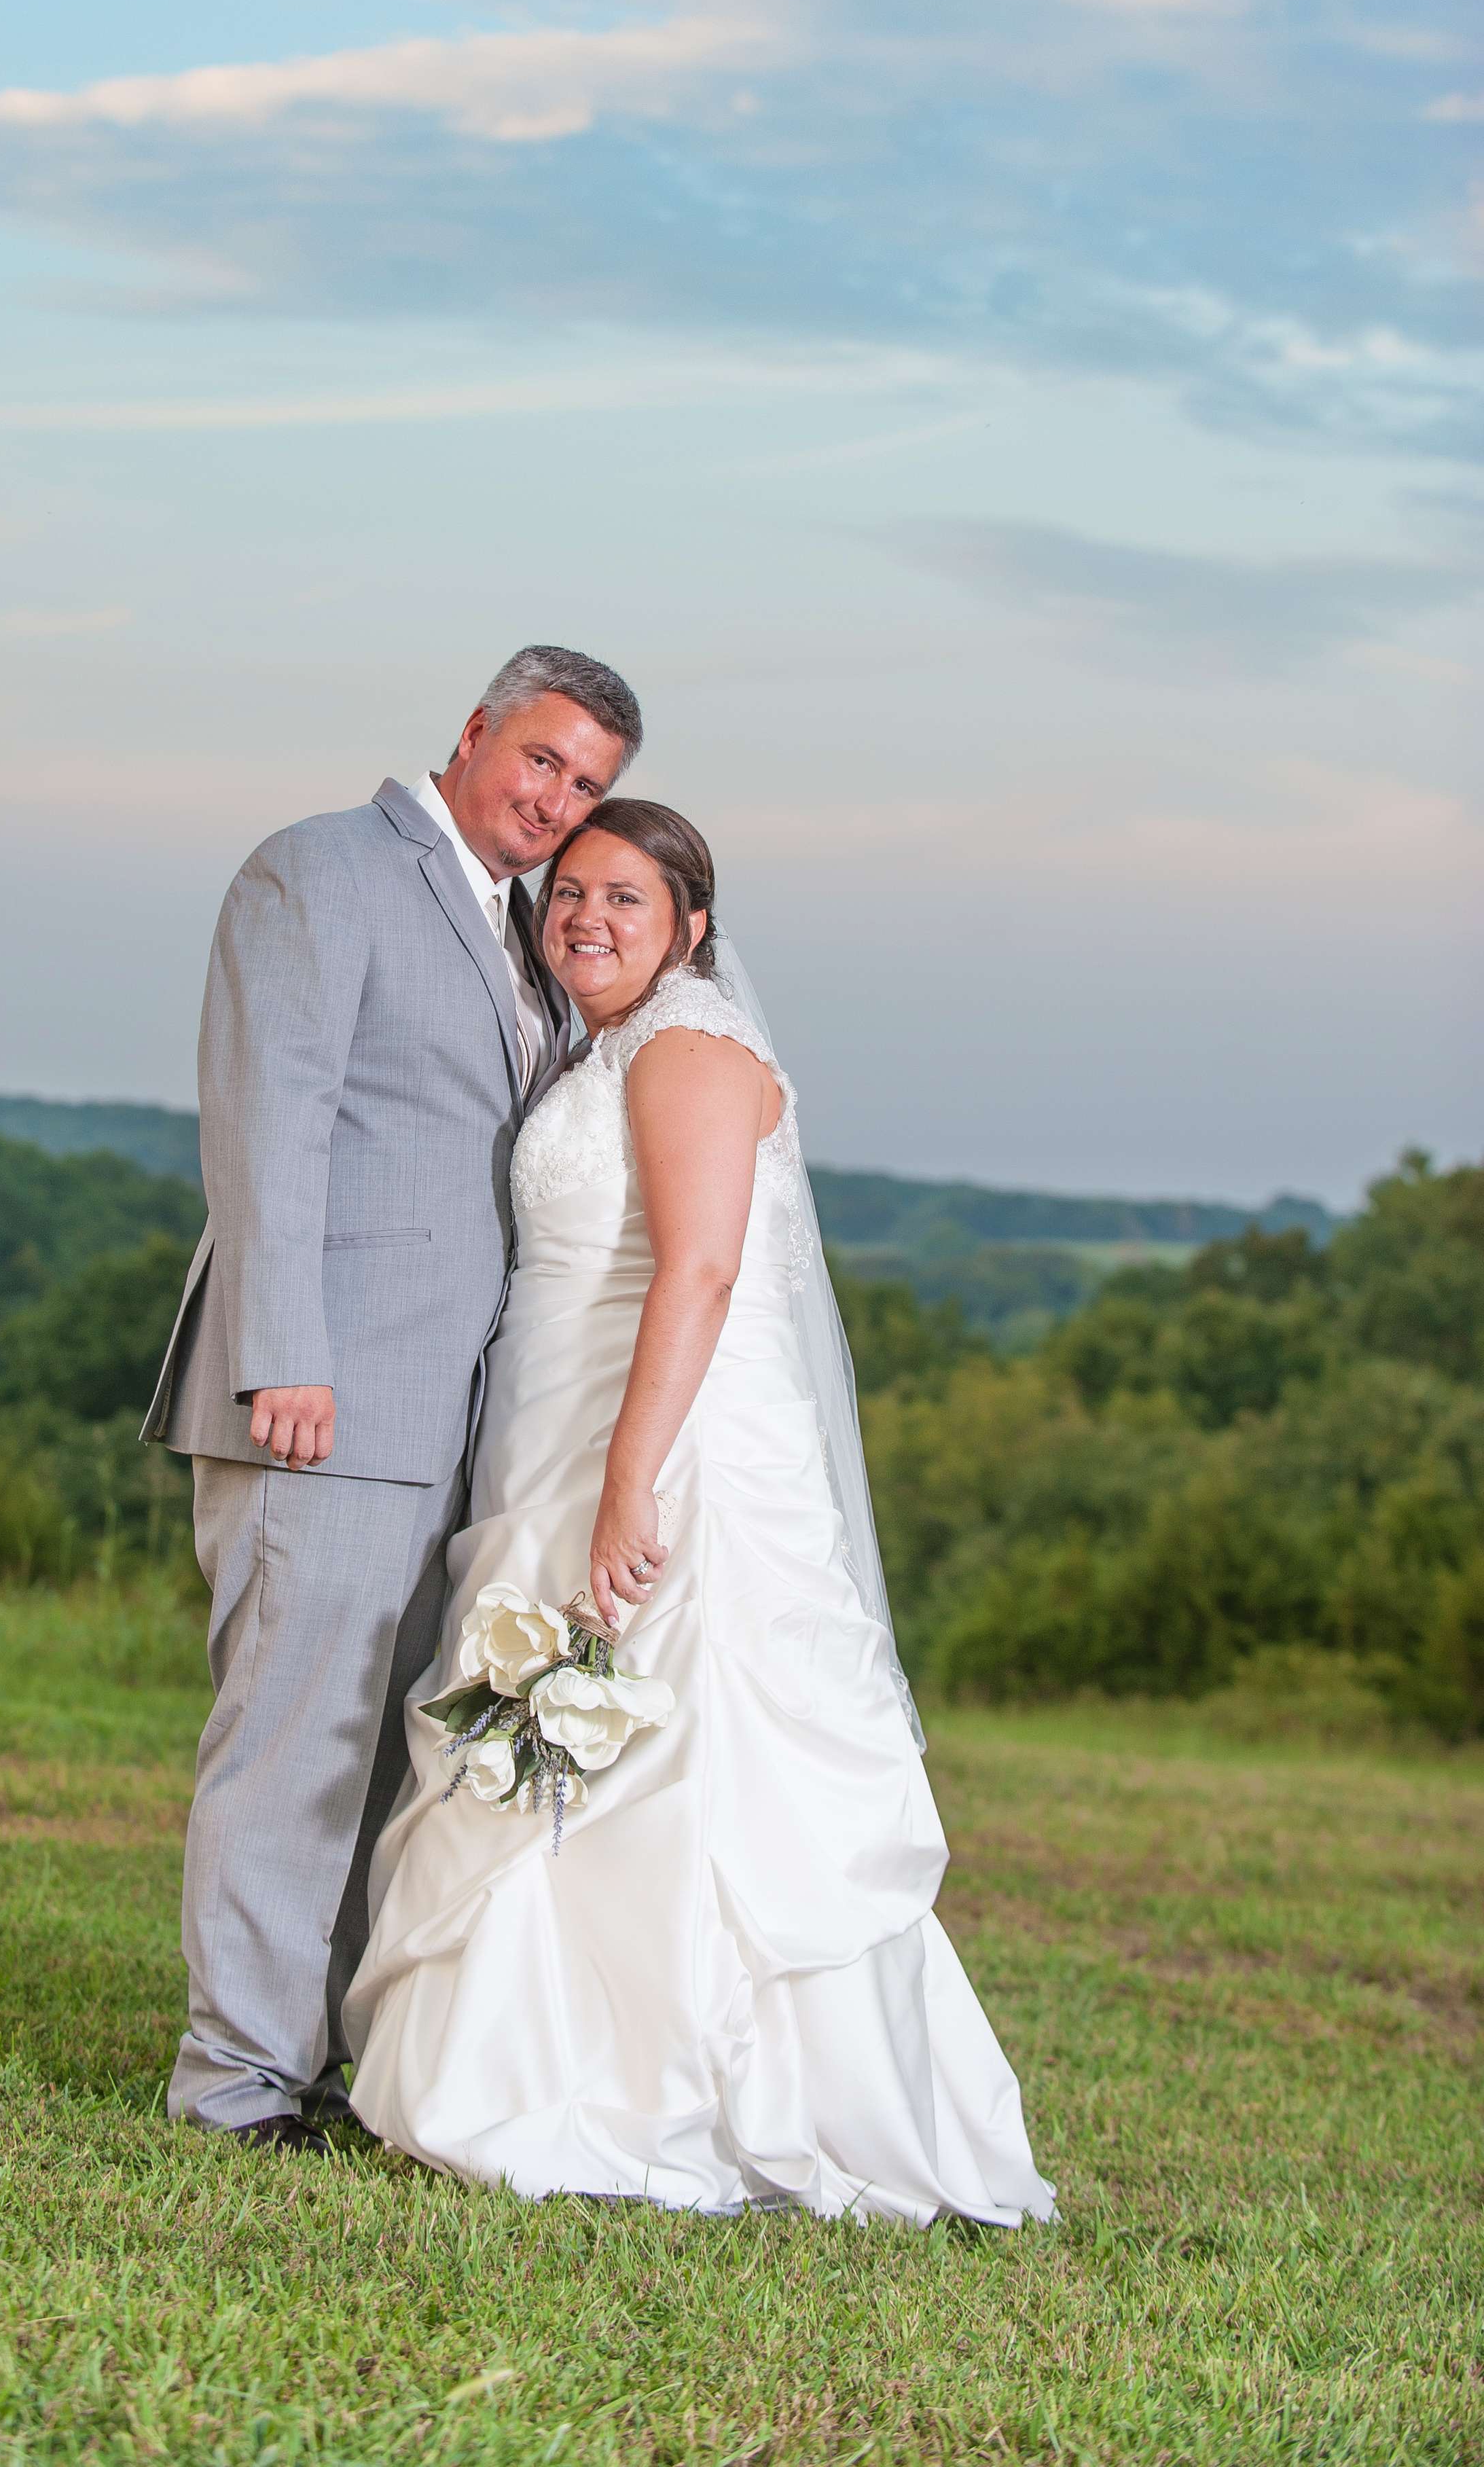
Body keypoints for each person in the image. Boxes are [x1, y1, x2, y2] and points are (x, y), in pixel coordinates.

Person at [344, 799, 1055, 2224]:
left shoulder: (690, 1050)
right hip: (558, 1435)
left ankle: (684, 2099)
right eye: (569, 894)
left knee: (685, 1749)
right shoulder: (606, 1052)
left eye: (625, 897)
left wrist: (628, 1482)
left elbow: (704, 1275)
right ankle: (544, 2056)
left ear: (692, 928)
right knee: (562, 1732)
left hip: (665, 1448)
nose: (588, 917)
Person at [142, 645, 643, 2150]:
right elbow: (269, 1118)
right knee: (292, 1748)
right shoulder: (321, 871)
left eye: (591, 787)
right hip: (328, 1390)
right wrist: (282, 1347)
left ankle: (334, 2064)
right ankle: (234, 2087)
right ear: (478, 728)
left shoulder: (522, 930)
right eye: (544, 760)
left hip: (465, 1416)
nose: (559, 801)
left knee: (394, 1763)